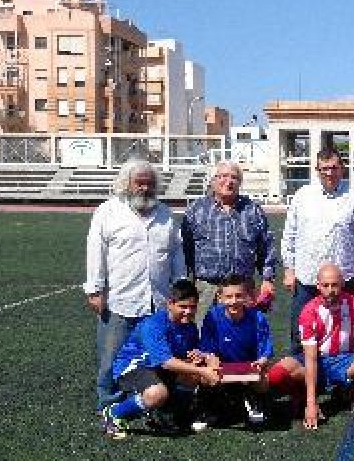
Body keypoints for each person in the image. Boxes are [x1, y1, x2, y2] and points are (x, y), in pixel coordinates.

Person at [84, 158, 186, 410]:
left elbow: (175, 252)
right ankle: (108, 404)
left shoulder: (164, 214)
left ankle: (152, 403)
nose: (144, 188)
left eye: (149, 184)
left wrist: (181, 285)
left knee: (156, 356)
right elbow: (96, 252)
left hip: (158, 300)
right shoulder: (108, 211)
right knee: (112, 357)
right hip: (120, 300)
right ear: (126, 184)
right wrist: (95, 289)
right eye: (139, 183)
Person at [266, 264, 354, 429]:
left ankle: (353, 388)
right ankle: (302, 392)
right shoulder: (309, 311)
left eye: (334, 285)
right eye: (325, 285)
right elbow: (311, 358)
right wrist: (311, 403)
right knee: (277, 375)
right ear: (318, 285)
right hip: (317, 361)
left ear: (342, 284)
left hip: (346, 360)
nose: (330, 290)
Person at [99, 279, 221, 439]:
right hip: (133, 367)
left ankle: (167, 415)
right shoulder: (154, 324)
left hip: (159, 369)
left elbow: (187, 356)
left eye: (192, 307)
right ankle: (114, 414)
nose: (188, 312)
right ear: (170, 303)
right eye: (182, 307)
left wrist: (198, 357)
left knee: (192, 375)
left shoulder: (189, 327)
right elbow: (166, 361)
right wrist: (203, 370)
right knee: (157, 393)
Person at [282, 148, 354, 344]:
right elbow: (289, 235)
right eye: (324, 168)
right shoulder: (302, 196)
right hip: (307, 278)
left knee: (345, 333)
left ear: (342, 169)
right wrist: (289, 270)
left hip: (344, 279)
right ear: (317, 169)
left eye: (334, 167)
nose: (329, 173)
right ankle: (302, 372)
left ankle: (342, 372)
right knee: (300, 334)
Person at [181, 160, 277, 321]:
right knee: (203, 336)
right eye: (223, 176)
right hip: (207, 288)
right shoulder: (196, 209)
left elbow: (266, 247)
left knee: (242, 337)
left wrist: (268, 279)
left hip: (242, 288)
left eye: (234, 177)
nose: (229, 181)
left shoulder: (252, 210)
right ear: (213, 180)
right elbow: (185, 249)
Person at [196, 274, 274, 428]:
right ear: (220, 297)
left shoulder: (258, 317)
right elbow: (206, 349)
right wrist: (210, 358)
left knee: (263, 378)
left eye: (238, 296)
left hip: (247, 368)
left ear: (246, 296)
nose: (233, 301)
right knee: (204, 375)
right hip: (222, 367)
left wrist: (261, 361)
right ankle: (206, 406)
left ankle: (254, 400)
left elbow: (265, 350)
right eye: (229, 296)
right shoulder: (212, 317)